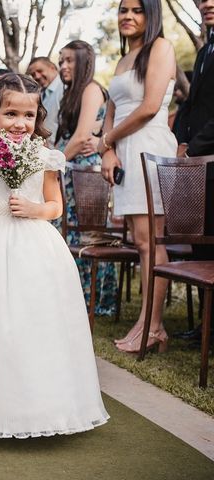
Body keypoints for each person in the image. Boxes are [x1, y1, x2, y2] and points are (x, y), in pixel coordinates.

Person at [0, 73, 109, 438]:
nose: (19, 124)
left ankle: (34, 409)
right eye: (10, 114)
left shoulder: (45, 156)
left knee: (29, 322)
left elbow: (55, 207)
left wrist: (34, 209)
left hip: (31, 245)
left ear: (37, 118)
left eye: (28, 116)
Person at [99, 0, 176, 353]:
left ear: (151, 15)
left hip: (149, 145)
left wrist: (110, 138)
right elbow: (112, 112)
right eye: (122, 10)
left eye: (136, 10)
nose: (127, 16)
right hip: (125, 152)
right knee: (140, 241)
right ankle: (147, 322)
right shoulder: (122, 60)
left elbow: (148, 107)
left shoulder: (160, 47)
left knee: (151, 241)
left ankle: (153, 325)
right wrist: (108, 150)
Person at [55, 40, 118, 316]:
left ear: (84, 62)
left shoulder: (92, 89)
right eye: (61, 61)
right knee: (65, 231)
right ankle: (70, 294)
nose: (63, 66)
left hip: (86, 175)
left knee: (89, 235)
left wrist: (53, 164)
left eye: (69, 60)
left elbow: (82, 139)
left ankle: (95, 298)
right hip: (71, 170)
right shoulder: (71, 94)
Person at [174, 0, 214, 345]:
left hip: (209, 155)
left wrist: (194, 146)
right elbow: (190, 105)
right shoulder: (204, 51)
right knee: (200, 245)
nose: (208, 4)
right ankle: (207, 326)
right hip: (199, 162)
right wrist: (180, 139)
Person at [27, 57, 65, 146]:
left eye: (40, 71)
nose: (36, 76)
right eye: (33, 74)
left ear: (52, 67)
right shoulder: (41, 94)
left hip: (64, 151)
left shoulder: (64, 89)